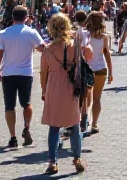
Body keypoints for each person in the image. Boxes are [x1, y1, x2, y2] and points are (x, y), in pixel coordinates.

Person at [40, 13, 87, 175]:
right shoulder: (75, 46)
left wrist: (44, 91)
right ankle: (77, 159)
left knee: (54, 127)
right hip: (70, 86)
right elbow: (87, 57)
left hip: (53, 87)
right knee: (74, 125)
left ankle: (52, 162)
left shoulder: (47, 50)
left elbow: (43, 73)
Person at [0, 5, 46, 148]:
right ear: (27, 17)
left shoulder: (4, 33)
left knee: (9, 105)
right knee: (26, 103)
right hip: (25, 73)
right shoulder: (31, 33)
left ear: (12, 17)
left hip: (8, 73)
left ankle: (12, 137)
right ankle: (26, 127)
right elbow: (43, 49)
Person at [84, 11, 112, 133]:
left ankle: (84, 119)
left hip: (87, 69)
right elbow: (107, 54)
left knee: (85, 97)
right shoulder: (104, 37)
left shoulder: (85, 35)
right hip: (101, 68)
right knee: (97, 98)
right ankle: (94, 123)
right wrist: (111, 72)